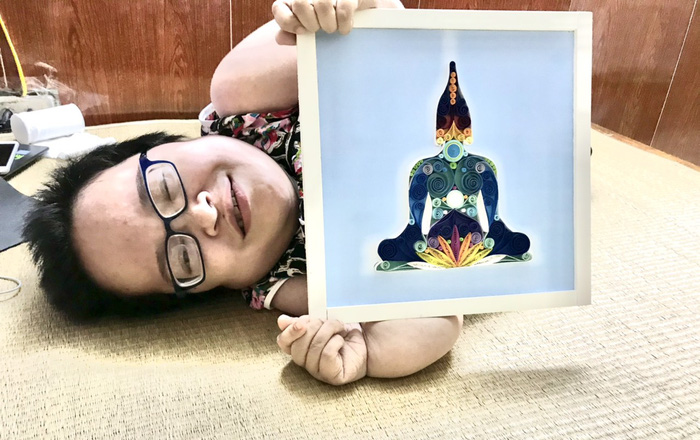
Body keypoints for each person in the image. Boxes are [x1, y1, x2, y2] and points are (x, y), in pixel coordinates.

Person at [24, 0, 462, 386]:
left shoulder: (244, 96)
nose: (204, 216)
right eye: (184, 259)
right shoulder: (284, 281)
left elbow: (390, 33)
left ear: (170, 143)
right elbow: (439, 311)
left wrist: (339, 10)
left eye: (163, 186)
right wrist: (367, 351)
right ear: (205, 291)